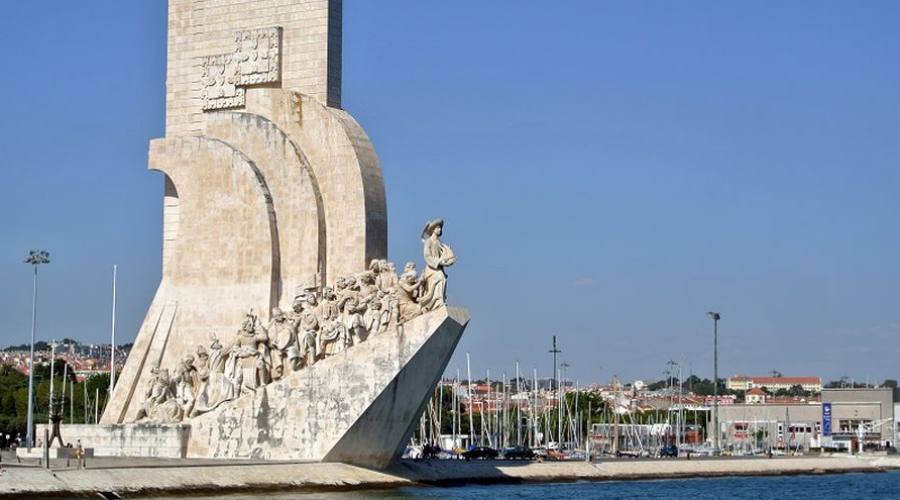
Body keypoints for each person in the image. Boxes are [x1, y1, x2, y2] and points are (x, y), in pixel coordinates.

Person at [418, 219, 455, 311]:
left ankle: (439, 301)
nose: (440, 230)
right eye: (438, 228)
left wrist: (447, 260)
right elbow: (427, 255)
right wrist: (438, 262)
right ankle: (437, 302)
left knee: (443, 278)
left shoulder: (439, 243)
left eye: (440, 228)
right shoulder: (428, 241)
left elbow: (444, 255)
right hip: (431, 268)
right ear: (433, 230)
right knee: (440, 277)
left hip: (438, 267)